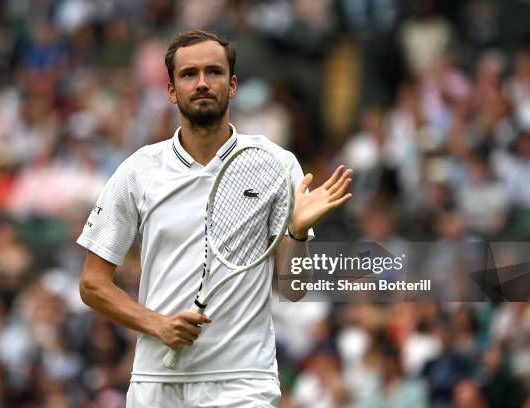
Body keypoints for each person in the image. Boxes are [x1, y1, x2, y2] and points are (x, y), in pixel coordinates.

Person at [77, 30, 352, 408]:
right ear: (172, 90)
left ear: (232, 84)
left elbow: (294, 289)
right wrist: (157, 324)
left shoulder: (275, 164)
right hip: (156, 383)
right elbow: (92, 285)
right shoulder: (139, 170)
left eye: (214, 72)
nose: (203, 83)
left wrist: (298, 232)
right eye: (189, 74)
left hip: (243, 383)